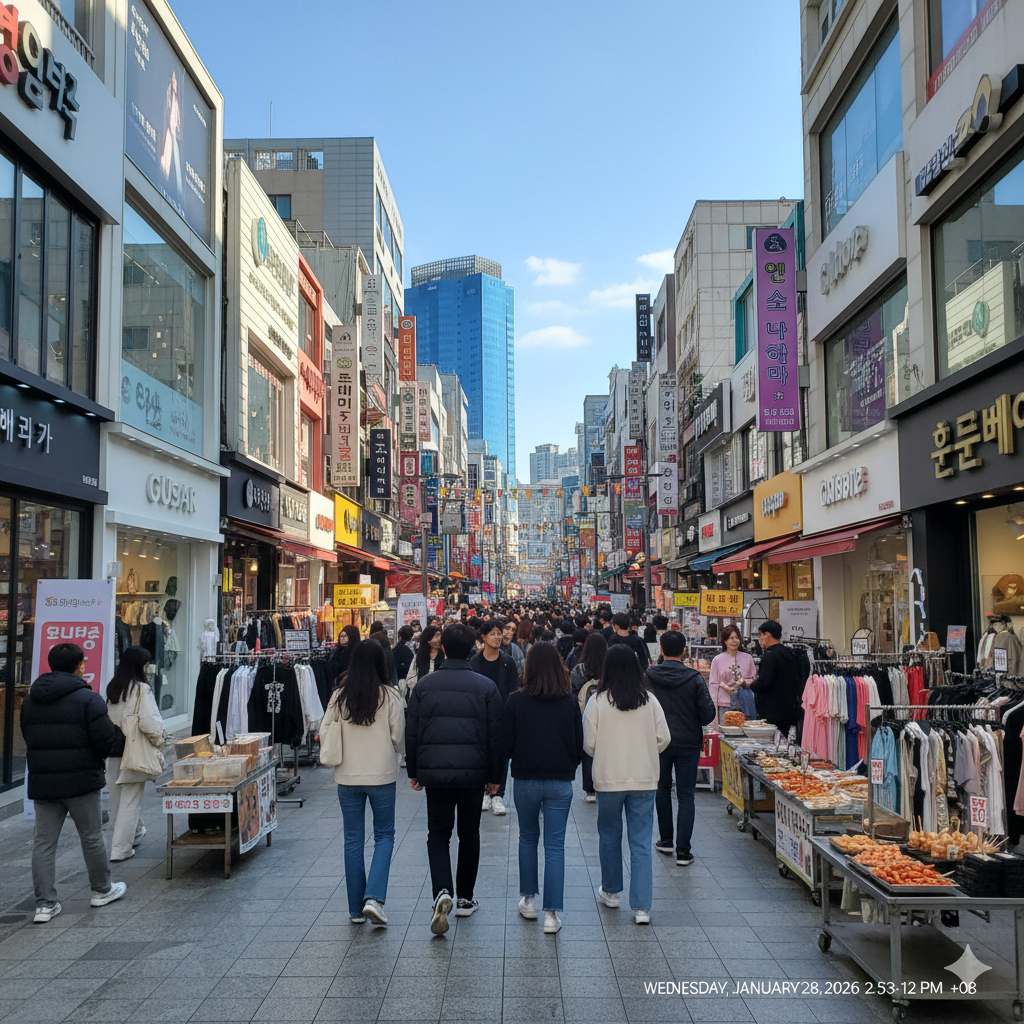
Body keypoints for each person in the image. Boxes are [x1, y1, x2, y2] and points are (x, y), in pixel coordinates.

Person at [405, 623, 503, 933]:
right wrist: (496, 776)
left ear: (443, 648)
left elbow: (412, 731)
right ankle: (465, 898)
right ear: (473, 646)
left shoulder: (424, 686)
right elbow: (496, 736)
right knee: (469, 833)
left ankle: (442, 891)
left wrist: (414, 771)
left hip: (436, 772)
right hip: (474, 771)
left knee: (438, 833)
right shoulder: (486, 687)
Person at [21, 643, 126, 923]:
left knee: (43, 843)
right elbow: (104, 741)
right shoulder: (89, 699)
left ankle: (44, 904)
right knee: (91, 837)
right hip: (82, 779)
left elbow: (28, 736)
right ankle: (101, 890)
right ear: (79, 666)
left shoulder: (31, 700)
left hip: (44, 781)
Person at [583, 644, 670, 925]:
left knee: (609, 836)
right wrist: (646, 750)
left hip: (608, 779)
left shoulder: (598, 701)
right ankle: (642, 907)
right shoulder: (650, 701)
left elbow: (588, 743)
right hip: (644, 777)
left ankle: (611, 891)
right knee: (641, 841)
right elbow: (664, 738)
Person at [501, 643, 583, 935]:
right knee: (555, 845)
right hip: (559, 780)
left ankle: (529, 900)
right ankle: (551, 914)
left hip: (525, 779)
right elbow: (578, 744)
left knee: (527, 837)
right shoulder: (569, 702)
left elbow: (505, 744)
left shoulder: (515, 701)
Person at [330, 639, 405, 926]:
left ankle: (354, 909)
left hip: (347, 775)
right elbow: (398, 737)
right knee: (384, 835)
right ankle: (373, 898)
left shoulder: (340, 696)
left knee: (352, 840)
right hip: (381, 774)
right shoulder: (390, 696)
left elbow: (327, 730)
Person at [645, 631, 716, 866]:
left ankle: (666, 840)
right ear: (684, 651)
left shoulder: (648, 676)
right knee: (686, 795)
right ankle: (684, 851)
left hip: (659, 742)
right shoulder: (694, 678)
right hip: (688, 742)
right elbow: (707, 714)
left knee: (662, 789)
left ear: (661, 650)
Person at [106, 646, 165, 862]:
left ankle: (136, 833)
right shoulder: (141, 689)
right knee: (130, 800)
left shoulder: (113, 687)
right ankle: (120, 849)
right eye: (145, 664)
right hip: (133, 751)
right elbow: (149, 723)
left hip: (113, 749)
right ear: (139, 666)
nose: (147, 668)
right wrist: (160, 740)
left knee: (119, 799)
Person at [471, 618, 519, 815]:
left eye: (499, 633)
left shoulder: (508, 662)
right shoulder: (474, 662)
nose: (498, 637)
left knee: (501, 755)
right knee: (481, 754)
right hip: (479, 716)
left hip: (502, 716)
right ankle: (484, 791)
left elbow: (513, 690)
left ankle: (498, 794)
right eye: (493, 634)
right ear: (483, 637)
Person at [750, 620, 803, 739]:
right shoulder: (789, 654)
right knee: (781, 742)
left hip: (771, 711)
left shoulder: (770, 655)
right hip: (788, 709)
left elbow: (765, 682)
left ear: (768, 635)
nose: (760, 639)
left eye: (761, 635)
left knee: (769, 743)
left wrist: (751, 684)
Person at [570, 633, 606, 803]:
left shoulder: (580, 669)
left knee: (588, 748)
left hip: (584, 713)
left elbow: (573, 691)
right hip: (606, 712)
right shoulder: (608, 668)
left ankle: (589, 790)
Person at [709, 625, 757, 723]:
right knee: (725, 730)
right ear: (725, 641)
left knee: (744, 731)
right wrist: (724, 686)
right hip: (724, 704)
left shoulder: (748, 658)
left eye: (737, 638)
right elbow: (713, 684)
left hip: (744, 704)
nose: (734, 641)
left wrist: (745, 682)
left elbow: (753, 679)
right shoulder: (717, 660)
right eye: (731, 638)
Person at [405, 624, 444, 693]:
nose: (439, 639)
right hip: (421, 694)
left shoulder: (444, 657)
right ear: (428, 638)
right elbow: (410, 678)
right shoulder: (419, 657)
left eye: (440, 635)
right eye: (436, 636)